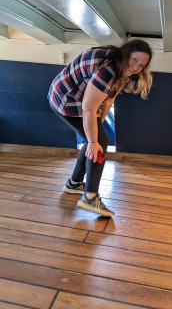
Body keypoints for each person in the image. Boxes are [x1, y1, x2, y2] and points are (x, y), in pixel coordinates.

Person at [47, 40, 153, 217]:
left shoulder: (122, 69)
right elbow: (88, 109)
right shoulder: (108, 69)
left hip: (80, 99)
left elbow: (108, 100)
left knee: (97, 139)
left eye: (141, 65)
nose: (135, 67)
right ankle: (90, 197)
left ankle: (74, 184)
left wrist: (97, 129)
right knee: (98, 141)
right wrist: (94, 140)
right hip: (65, 100)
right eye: (134, 60)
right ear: (126, 53)